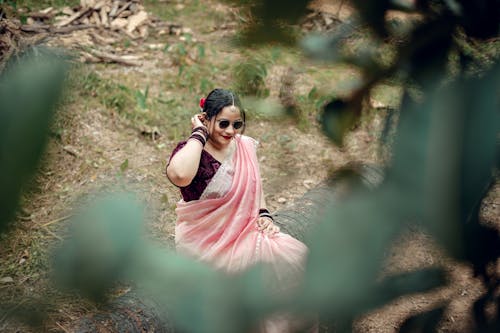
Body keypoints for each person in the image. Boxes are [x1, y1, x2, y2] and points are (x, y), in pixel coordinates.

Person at [166, 88, 314, 332]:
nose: (230, 131)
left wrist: (263, 212)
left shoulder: (243, 146)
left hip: (244, 234)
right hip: (204, 246)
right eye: (223, 123)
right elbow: (180, 175)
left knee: (297, 256)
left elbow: (255, 183)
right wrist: (198, 134)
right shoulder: (191, 150)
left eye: (237, 124)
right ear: (205, 117)